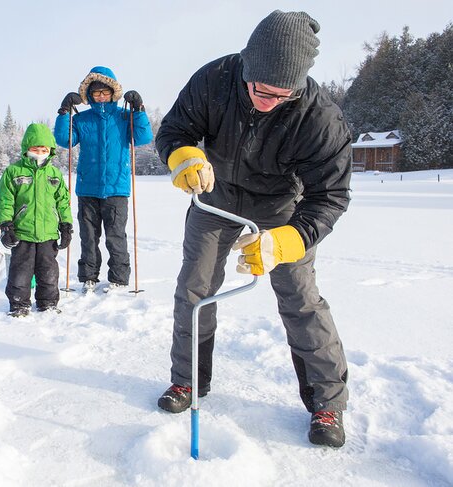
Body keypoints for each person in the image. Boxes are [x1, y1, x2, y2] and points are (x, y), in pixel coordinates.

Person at [154, 10, 352, 448]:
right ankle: (187, 381)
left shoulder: (320, 118)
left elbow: (331, 196)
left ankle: (327, 404)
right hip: (214, 196)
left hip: (285, 208)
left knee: (301, 300)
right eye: (261, 89)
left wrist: (291, 238)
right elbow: (173, 129)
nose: (268, 100)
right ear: (247, 65)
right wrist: (183, 155)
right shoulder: (215, 78)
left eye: (282, 95)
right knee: (195, 288)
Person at [54, 66, 153, 293]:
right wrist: (63, 112)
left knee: (115, 236)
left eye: (105, 92)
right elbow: (64, 140)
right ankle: (88, 276)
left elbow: (143, 136)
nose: (101, 96)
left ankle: (119, 278)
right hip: (88, 188)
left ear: (112, 93)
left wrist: (138, 109)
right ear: (89, 95)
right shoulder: (82, 119)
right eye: (96, 92)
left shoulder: (124, 116)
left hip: (117, 188)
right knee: (88, 237)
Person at [0, 123, 73, 317]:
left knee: (48, 272)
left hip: (48, 233)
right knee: (20, 272)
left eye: (44, 149)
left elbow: (63, 201)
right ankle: (19, 304)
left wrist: (66, 225)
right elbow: (5, 200)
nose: (39, 153)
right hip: (23, 233)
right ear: (26, 149)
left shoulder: (54, 174)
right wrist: (5, 226)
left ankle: (48, 303)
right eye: (35, 149)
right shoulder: (13, 172)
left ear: (50, 151)